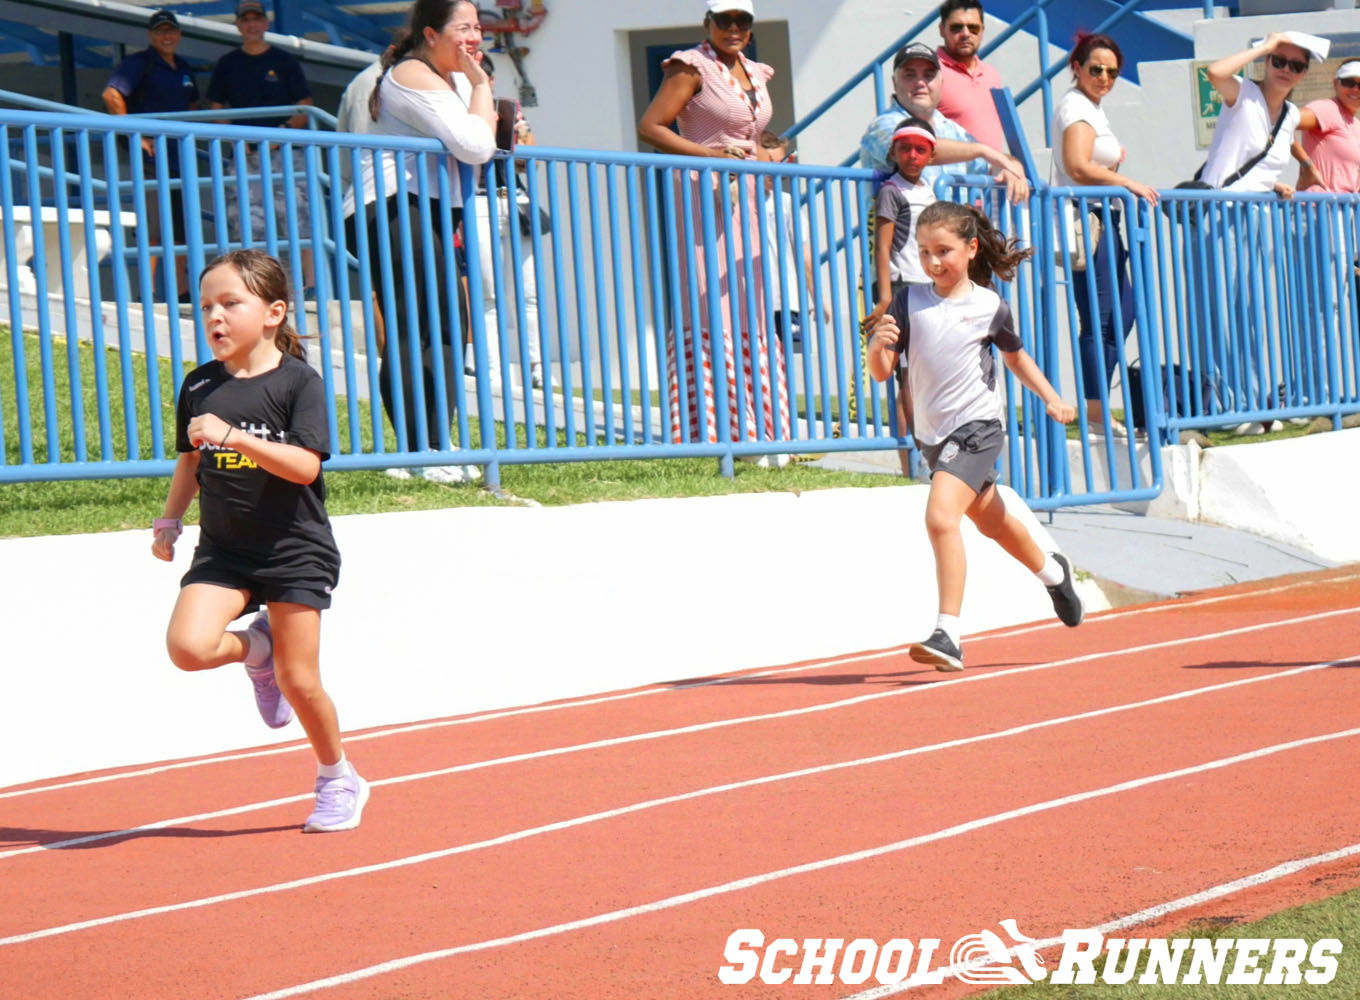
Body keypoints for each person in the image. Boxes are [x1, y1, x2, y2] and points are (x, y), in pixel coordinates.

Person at [150, 249, 367, 833]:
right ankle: (257, 651)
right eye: (206, 306)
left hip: (295, 549)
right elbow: (189, 462)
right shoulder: (198, 385)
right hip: (225, 549)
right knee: (188, 648)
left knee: (302, 682)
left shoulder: (299, 381)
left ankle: (337, 776)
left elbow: (304, 467)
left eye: (230, 304)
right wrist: (170, 521)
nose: (215, 317)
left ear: (273, 312)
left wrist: (237, 437)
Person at [865, 201, 1082, 671]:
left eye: (943, 250)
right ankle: (1053, 573)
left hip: (978, 426)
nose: (933, 262)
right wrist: (875, 347)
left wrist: (1050, 397)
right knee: (992, 521)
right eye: (923, 252)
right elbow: (882, 373)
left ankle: (949, 632)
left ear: (971, 248)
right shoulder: (908, 302)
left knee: (941, 518)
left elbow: (1016, 358)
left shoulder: (988, 305)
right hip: (932, 435)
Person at [345, 0, 496, 484]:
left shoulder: (447, 80)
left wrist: (474, 89)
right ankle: (415, 452)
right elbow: (474, 144)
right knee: (417, 324)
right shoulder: (413, 73)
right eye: (464, 28)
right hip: (390, 205)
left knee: (451, 322)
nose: (474, 37)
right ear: (431, 34)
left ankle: (438, 446)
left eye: (478, 27)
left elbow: (474, 145)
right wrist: (481, 86)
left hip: (423, 206)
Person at [637, 0, 792, 463]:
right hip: (702, 193)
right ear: (708, 23)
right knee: (712, 305)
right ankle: (720, 431)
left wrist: (769, 158)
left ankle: (765, 430)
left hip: (745, 197)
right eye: (724, 20)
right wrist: (710, 158)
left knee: (750, 302)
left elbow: (753, 136)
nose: (733, 28)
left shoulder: (755, 72)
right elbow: (650, 126)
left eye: (742, 21)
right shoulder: (690, 66)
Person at [1190, 31, 1324, 432]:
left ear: (1303, 73)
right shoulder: (1244, 92)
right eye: (1279, 62)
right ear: (1267, 62)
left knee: (1252, 312)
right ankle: (1226, 405)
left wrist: (1287, 179)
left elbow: (1271, 157)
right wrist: (1267, 45)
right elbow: (1215, 72)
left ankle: (1252, 401)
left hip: (1257, 217)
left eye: (1296, 65)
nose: (1285, 70)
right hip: (1218, 213)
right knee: (1218, 310)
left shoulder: (1292, 114)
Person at [1051, 33, 1158, 438]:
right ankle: (1095, 411)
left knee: (1122, 314)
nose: (1104, 77)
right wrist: (1126, 181)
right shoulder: (1077, 105)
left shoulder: (1090, 107)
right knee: (1099, 320)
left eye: (1112, 72)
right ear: (1076, 67)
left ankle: (1096, 407)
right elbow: (1078, 166)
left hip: (1103, 219)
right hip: (1088, 218)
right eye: (1095, 69)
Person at [207, 0, 316, 285]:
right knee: (248, 226)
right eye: (246, 20)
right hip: (245, 157)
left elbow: (305, 105)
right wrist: (234, 135)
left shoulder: (284, 61)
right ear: (238, 25)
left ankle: (311, 287)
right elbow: (214, 106)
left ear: (266, 24)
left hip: (285, 155)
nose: (252, 24)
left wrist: (282, 133)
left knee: (298, 220)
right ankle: (258, 287)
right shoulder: (227, 63)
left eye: (257, 19)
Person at [102, 8, 199, 301]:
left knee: (182, 228)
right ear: (150, 35)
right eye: (160, 31)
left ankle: (181, 293)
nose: (166, 36)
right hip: (151, 160)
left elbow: (194, 106)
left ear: (179, 35)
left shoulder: (183, 66)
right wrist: (137, 136)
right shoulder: (138, 63)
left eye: (171, 31)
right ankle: (149, 293)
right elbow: (111, 95)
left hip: (180, 159)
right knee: (153, 228)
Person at [859, 42, 1028, 207]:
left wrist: (1011, 166)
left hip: (954, 233)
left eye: (929, 75)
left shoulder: (950, 128)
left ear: (941, 83)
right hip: (903, 233)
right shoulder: (883, 125)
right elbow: (915, 147)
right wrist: (981, 150)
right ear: (895, 83)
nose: (920, 82)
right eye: (910, 75)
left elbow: (988, 165)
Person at [469, 54, 544, 391]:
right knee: (489, 295)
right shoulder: (460, 112)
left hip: (515, 199)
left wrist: (517, 131)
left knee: (529, 293)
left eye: (488, 78)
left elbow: (531, 160)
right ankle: (493, 374)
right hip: (478, 201)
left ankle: (538, 370)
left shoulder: (509, 109)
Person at [934, 0, 1006, 151]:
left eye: (973, 28)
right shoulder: (930, 72)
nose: (965, 34)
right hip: (952, 173)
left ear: (982, 30)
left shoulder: (991, 74)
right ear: (942, 30)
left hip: (992, 173)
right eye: (956, 28)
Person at [1292, 60, 1360, 193]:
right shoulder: (1327, 108)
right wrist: (1306, 164)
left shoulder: (1356, 124)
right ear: (1335, 83)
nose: (1355, 89)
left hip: (1344, 210)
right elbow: (1283, 121)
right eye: (1349, 82)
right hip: (1318, 209)